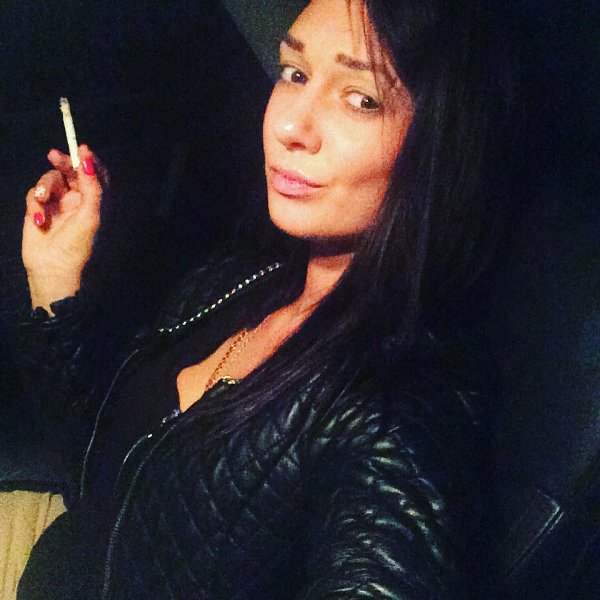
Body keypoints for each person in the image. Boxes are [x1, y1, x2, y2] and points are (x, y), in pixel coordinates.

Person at [16, 0, 507, 597]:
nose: (290, 127)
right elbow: (95, 461)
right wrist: (55, 276)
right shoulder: (247, 276)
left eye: (361, 99)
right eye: (295, 74)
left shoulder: (400, 405)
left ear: (444, 141)